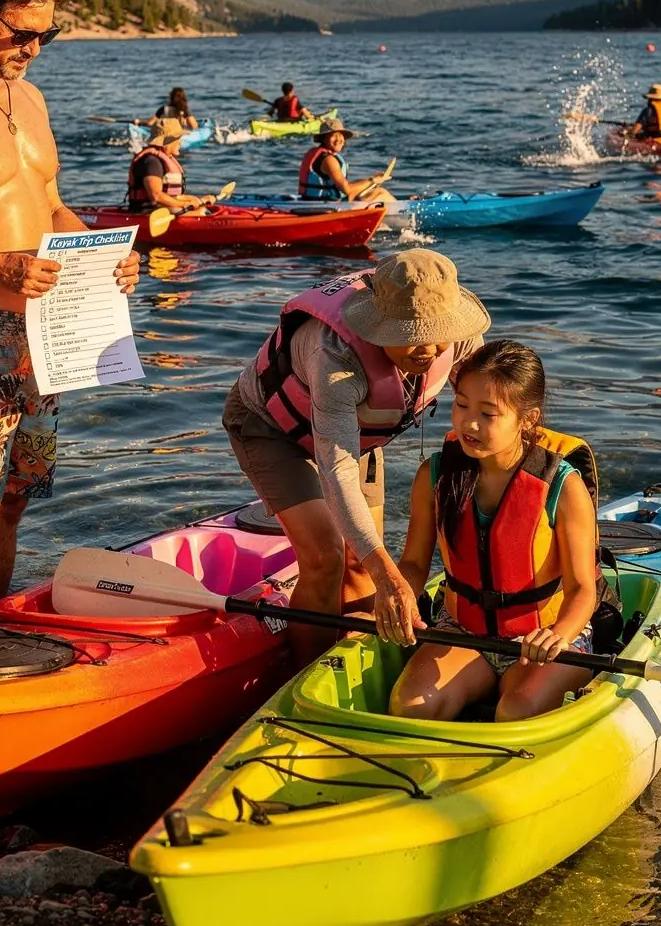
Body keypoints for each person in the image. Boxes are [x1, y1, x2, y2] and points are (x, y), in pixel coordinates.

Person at [0, 0, 140, 621]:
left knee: (10, 500)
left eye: (45, 34)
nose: (34, 47)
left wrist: (103, 251)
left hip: (39, 335)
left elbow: (50, 201)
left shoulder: (29, 97)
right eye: (21, 33)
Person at [223, 249, 490, 667]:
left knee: (362, 565)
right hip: (271, 427)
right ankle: (302, 679)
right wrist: (390, 574)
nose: (429, 349)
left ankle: (352, 664)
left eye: (438, 334)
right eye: (411, 334)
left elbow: (493, 407)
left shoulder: (458, 336)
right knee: (326, 556)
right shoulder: (336, 358)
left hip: (358, 434)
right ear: (381, 326)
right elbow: (338, 472)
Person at [387, 339, 600, 723]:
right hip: (464, 631)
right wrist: (396, 593)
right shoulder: (433, 476)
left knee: (516, 711)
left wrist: (560, 634)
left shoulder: (562, 487)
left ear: (528, 418)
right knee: (410, 707)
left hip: (546, 636)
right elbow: (415, 563)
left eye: (488, 413)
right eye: (462, 404)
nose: (469, 423)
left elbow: (583, 589)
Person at [298, 118, 396, 206]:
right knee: (380, 192)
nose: (338, 140)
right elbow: (348, 190)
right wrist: (372, 181)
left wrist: (373, 180)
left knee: (373, 191)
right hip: (323, 208)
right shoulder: (328, 160)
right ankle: (404, 216)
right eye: (333, 135)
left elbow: (344, 186)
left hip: (317, 203)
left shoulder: (320, 154)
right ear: (324, 138)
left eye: (340, 135)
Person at [127, 118, 215, 214]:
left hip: (163, 210)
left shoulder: (160, 159)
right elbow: (156, 196)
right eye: (177, 139)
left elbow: (172, 197)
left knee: (203, 208)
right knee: (201, 213)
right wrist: (184, 205)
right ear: (167, 141)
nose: (180, 143)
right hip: (148, 213)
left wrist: (199, 200)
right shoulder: (152, 162)